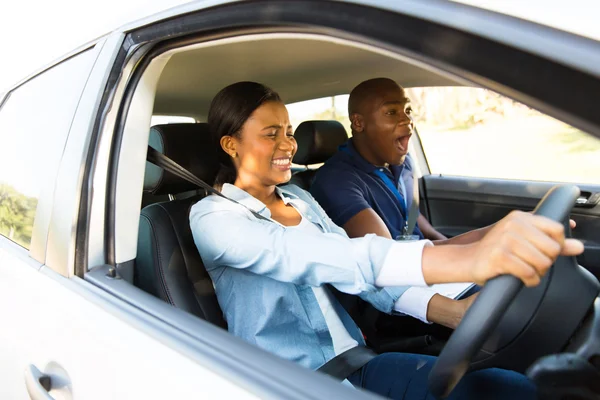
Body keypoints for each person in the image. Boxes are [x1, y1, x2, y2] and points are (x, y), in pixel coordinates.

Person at [189, 81, 583, 399]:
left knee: (509, 389)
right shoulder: (214, 217)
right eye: (271, 134)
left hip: (359, 363)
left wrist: (451, 311)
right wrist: (467, 259)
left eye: (289, 133)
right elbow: (319, 256)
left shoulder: (300, 199)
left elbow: (365, 275)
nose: (289, 145)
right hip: (290, 383)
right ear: (231, 144)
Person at [311, 78, 484, 330]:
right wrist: (470, 252)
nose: (406, 120)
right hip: (396, 301)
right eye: (391, 112)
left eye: (407, 110)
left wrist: (445, 240)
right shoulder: (336, 181)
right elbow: (387, 261)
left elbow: (410, 216)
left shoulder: (401, 162)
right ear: (359, 123)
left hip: (424, 270)